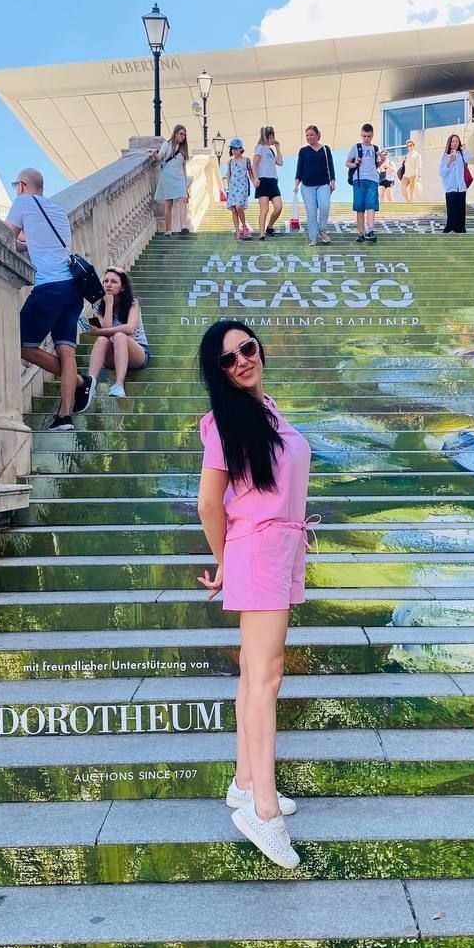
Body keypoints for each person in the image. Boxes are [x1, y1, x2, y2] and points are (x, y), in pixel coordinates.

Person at [196, 319, 313, 870]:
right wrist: (225, 561)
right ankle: (264, 811)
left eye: (246, 347)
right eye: (228, 358)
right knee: (266, 676)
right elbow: (208, 504)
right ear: (218, 371)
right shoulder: (223, 423)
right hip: (259, 548)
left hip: (281, 545)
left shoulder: (266, 411)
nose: (242, 359)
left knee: (254, 672)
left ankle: (245, 782)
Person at [5, 168, 95, 432]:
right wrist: (27, 244)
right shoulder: (57, 211)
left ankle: (80, 382)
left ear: (22, 186)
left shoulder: (23, 202)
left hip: (49, 287)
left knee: (20, 345)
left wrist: (21, 240)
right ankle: (64, 417)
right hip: (73, 288)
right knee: (66, 351)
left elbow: (4, 236)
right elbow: (44, 245)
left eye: (16, 185)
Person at [85, 268, 149, 398]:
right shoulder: (99, 306)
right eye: (106, 281)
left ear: (122, 287)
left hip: (137, 353)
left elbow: (130, 329)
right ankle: (90, 384)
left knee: (119, 336)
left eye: (114, 282)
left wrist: (99, 331)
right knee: (102, 340)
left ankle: (119, 385)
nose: (108, 284)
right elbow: (106, 332)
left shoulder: (133, 303)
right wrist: (109, 304)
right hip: (112, 355)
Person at [293, 125, 336, 246]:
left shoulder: (325, 149)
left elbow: (330, 166)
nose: (309, 137)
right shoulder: (303, 151)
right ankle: (313, 238)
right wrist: (296, 184)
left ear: (317, 135)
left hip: (323, 184)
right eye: (307, 135)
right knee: (311, 212)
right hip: (307, 186)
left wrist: (333, 181)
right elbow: (299, 169)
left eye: (311, 135)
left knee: (324, 205)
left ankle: (322, 230)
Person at [345, 123, 387, 243]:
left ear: (372, 135)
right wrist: (355, 163)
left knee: (371, 206)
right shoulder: (356, 147)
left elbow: (375, 165)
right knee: (360, 207)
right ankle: (361, 233)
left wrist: (382, 160)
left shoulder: (375, 149)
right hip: (358, 179)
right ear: (361, 135)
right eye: (364, 136)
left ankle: (370, 231)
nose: (366, 138)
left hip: (372, 179)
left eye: (369, 136)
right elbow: (347, 163)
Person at [151, 124, 190, 236]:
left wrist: (185, 184)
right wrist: (154, 154)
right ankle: (168, 230)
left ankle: (183, 226)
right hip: (168, 176)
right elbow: (159, 157)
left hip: (179, 177)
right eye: (181, 134)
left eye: (184, 135)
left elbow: (184, 167)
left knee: (183, 199)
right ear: (175, 133)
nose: (183, 137)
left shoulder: (183, 149)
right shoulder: (167, 144)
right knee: (169, 203)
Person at [252, 126, 284, 241]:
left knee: (278, 207)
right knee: (264, 209)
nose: (272, 139)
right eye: (270, 137)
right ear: (266, 137)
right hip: (263, 180)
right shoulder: (259, 148)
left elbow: (280, 162)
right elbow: (254, 164)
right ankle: (261, 234)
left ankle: (269, 227)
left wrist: (278, 148)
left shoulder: (270, 150)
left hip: (273, 181)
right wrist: (255, 178)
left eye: (273, 137)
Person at [439, 134, 472, 234]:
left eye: (457, 141)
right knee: (452, 211)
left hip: (461, 187)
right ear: (449, 143)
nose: (455, 143)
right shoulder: (445, 157)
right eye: (453, 141)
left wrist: (464, 150)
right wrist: (449, 161)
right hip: (450, 188)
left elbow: (469, 158)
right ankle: (449, 229)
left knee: (461, 211)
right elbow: (442, 173)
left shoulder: (461, 155)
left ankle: (461, 230)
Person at [225, 138, 256, 241]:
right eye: (232, 149)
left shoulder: (246, 160)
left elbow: (250, 173)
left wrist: (254, 181)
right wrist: (228, 189)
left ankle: (244, 226)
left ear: (241, 149)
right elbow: (229, 175)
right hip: (233, 188)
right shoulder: (230, 162)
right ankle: (237, 231)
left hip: (242, 187)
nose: (234, 151)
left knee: (238, 207)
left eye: (236, 148)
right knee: (234, 210)